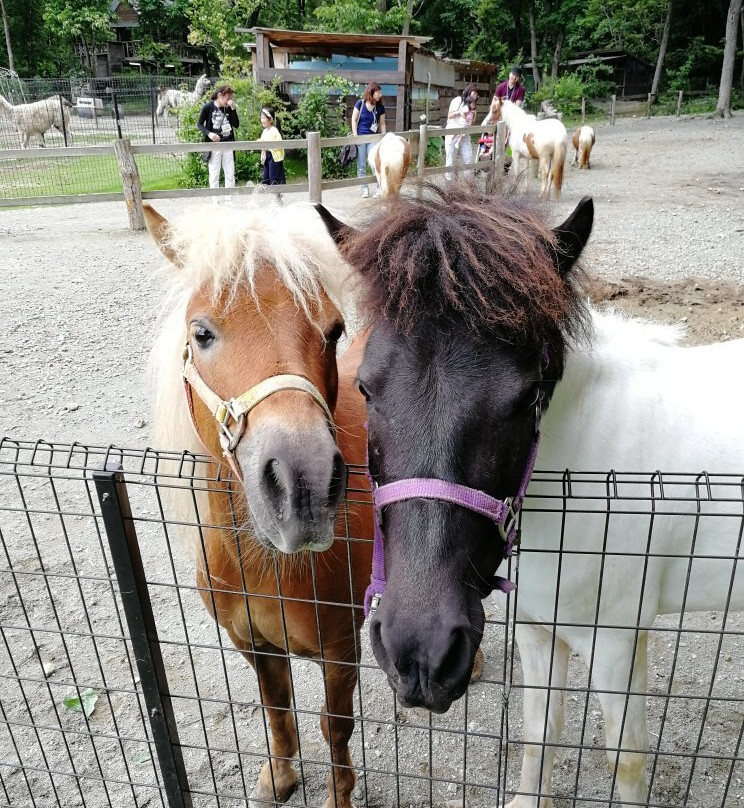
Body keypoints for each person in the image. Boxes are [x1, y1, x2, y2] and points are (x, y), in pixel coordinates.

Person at [197, 85, 240, 192]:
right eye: (228, 98)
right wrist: (209, 134)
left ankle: (229, 200)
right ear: (220, 95)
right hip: (214, 146)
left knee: (230, 174)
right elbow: (199, 124)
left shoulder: (229, 107)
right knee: (214, 174)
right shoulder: (208, 107)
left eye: (231, 98)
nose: (229, 100)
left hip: (228, 144)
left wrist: (233, 109)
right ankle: (215, 201)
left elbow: (236, 125)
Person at [351, 82, 386, 198]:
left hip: (373, 139)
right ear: (372, 92)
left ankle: (379, 189)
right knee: (361, 166)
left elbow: (382, 124)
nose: (380, 95)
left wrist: (383, 138)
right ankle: (364, 189)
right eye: (378, 92)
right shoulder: (360, 103)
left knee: (374, 165)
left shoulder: (380, 107)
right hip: (360, 138)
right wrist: (355, 136)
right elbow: (353, 120)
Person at [445, 83, 479, 181]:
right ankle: (449, 185)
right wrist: (460, 112)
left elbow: (471, 122)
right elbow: (450, 115)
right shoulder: (458, 100)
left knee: (468, 159)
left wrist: (473, 113)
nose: (475, 95)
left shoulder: (473, 106)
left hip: (465, 135)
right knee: (451, 160)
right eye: (474, 93)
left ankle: (469, 185)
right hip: (452, 134)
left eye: (477, 94)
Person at [259, 106, 286, 186]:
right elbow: (263, 145)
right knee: (266, 177)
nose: (262, 120)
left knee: (274, 176)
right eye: (261, 118)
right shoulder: (264, 131)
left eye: (264, 118)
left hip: (274, 157)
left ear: (270, 120)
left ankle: (278, 195)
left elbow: (279, 144)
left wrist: (269, 146)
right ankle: (275, 194)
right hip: (267, 156)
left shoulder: (274, 131)